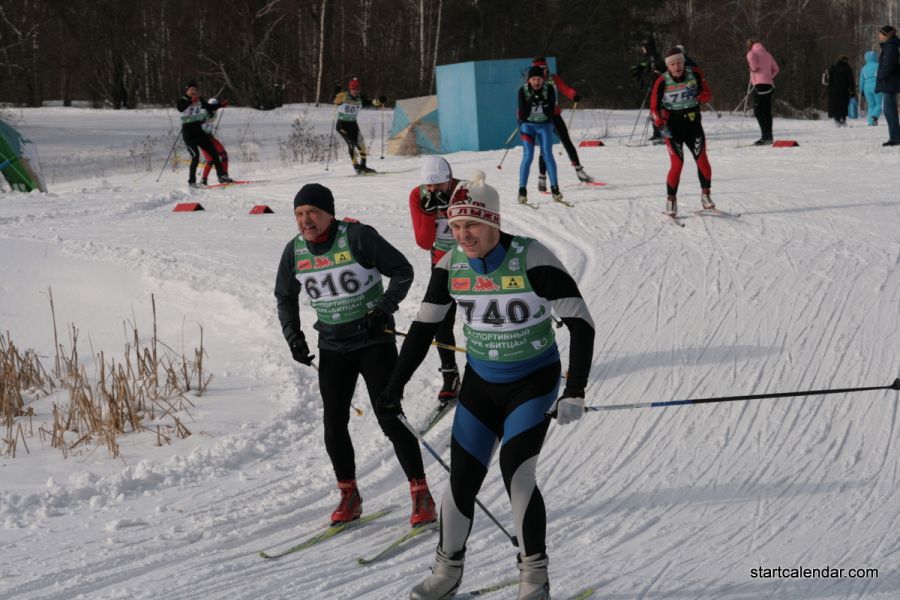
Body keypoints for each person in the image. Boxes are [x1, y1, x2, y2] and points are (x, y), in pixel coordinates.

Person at [374, 171, 594, 600]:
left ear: (493, 222)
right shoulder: (449, 262)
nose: (463, 235)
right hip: (481, 384)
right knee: (461, 479)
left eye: (471, 225)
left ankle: (534, 577)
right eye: (455, 227)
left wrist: (575, 389)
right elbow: (423, 328)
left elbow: (581, 324)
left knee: (518, 473)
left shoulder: (533, 258)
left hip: (532, 384)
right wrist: (394, 386)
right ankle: (447, 571)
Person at [274, 183, 437, 528]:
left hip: (372, 342)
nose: (306, 220)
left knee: (389, 416)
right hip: (332, 346)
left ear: (328, 213)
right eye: (300, 214)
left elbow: (402, 270)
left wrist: (383, 309)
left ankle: (421, 492)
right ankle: (349, 495)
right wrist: (294, 336)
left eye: (313, 213)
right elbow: (284, 297)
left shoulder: (358, 237)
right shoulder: (295, 251)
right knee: (333, 423)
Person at [407, 156, 462, 403]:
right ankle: (450, 374)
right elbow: (424, 242)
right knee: (441, 321)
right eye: (429, 186)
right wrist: (429, 213)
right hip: (441, 263)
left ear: (449, 181)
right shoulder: (417, 196)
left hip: (471, 260)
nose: (432, 191)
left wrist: (452, 208)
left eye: (438, 186)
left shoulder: (465, 190)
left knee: (482, 315)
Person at [651, 48, 714, 217]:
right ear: (668, 67)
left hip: (693, 126)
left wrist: (699, 95)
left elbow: (708, 95)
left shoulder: (695, 74)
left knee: (702, 160)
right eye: (672, 64)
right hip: (673, 129)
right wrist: (660, 125)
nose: (676, 66)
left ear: (683, 62)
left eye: (679, 62)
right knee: (677, 164)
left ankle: (706, 195)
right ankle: (671, 201)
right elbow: (654, 107)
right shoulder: (661, 81)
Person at [530, 57, 594, 191]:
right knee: (544, 149)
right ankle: (542, 179)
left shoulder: (553, 78)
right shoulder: (533, 81)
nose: (544, 71)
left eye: (545, 67)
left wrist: (573, 95)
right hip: (542, 118)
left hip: (555, 115)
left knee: (567, 141)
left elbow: (565, 88)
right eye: (541, 68)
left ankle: (579, 170)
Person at [517, 66, 563, 205]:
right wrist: (531, 101)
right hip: (528, 126)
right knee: (528, 156)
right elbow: (522, 115)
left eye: (539, 79)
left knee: (548, 154)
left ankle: (555, 189)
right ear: (529, 80)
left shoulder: (549, 89)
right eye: (533, 79)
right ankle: (522, 190)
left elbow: (551, 114)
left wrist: (543, 102)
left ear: (543, 79)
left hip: (544, 126)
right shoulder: (523, 90)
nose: (536, 82)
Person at [176, 80, 232, 188]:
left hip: (199, 131)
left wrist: (220, 105)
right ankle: (192, 182)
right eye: (191, 90)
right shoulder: (183, 100)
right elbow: (180, 108)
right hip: (188, 132)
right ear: (187, 90)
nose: (194, 91)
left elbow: (209, 107)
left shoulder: (199, 99)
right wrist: (190, 101)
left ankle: (221, 176)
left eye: (195, 90)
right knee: (195, 156)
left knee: (214, 153)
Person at [334, 77, 375, 174]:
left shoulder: (360, 99)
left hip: (353, 124)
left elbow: (372, 102)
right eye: (353, 89)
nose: (355, 91)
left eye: (357, 89)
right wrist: (337, 93)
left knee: (362, 145)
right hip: (342, 125)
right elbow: (335, 100)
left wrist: (380, 101)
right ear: (350, 89)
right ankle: (356, 166)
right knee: (352, 143)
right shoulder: (344, 96)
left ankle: (363, 166)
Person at [631, 36, 667, 144]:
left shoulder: (655, 58)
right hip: (653, 87)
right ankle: (657, 132)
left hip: (658, 88)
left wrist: (652, 76)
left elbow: (662, 72)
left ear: (648, 47)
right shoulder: (650, 58)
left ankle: (660, 132)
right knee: (653, 109)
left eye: (644, 47)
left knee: (656, 109)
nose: (642, 49)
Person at [745, 38, 780, 145]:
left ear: (750, 45)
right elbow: (776, 69)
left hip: (759, 86)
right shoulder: (768, 54)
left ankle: (765, 137)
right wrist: (769, 77)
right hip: (769, 85)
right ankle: (769, 137)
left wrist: (753, 69)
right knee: (766, 111)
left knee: (758, 111)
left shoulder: (752, 53)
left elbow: (754, 67)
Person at [876, 25, 900, 146]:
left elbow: (888, 65)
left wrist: (880, 76)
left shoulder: (890, 47)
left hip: (889, 83)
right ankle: (895, 136)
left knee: (889, 111)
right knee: (889, 111)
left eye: (880, 34)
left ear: (886, 35)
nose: (878, 36)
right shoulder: (889, 47)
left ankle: (896, 137)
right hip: (888, 82)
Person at [198, 98, 230, 186]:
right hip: (202, 140)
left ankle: (224, 176)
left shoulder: (214, 113)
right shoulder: (204, 113)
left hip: (210, 138)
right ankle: (203, 181)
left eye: (216, 107)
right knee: (211, 161)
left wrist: (221, 105)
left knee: (224, 154)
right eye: (213, 107)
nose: (215, 109)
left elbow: (212, 111)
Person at [825, 56, 856, 126]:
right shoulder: (847, 69)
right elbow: (850, 81)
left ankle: (836, 119)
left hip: (833, 90)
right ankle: (843, 119)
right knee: (843, 104)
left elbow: (829, 80)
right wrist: (852, 91)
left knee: (835, 105)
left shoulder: (832, 68)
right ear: (845, 61)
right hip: (844, 90)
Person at [859, 50, 883, 126]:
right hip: (877, 87)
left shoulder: (863, 68)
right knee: (879, 104)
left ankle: (870, 122)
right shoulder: (878, 65)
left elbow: (861, 80)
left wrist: (861, 90)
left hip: (866, 88)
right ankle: (874, 116)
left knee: (871, 105)